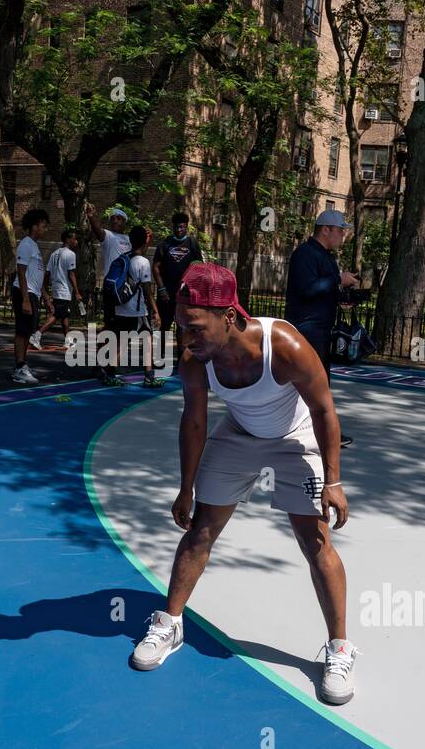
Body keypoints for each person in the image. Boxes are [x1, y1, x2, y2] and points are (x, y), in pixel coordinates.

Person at [130, 263, 357, 705]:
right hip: (238, 436)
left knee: (314, 541)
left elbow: (325, 410)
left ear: (228, 316)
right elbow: (194, 421)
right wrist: (186, 487)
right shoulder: (196, 359)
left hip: (294, 439)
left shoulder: (285, 346)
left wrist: (333, 481)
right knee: (200, 532)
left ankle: (340, 649)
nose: (187, 338)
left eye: (194, 328)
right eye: (181, 327)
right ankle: (170, 623)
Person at [285, 209, 357, 448]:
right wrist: (338, 279)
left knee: (319, 382)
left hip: (320, 329)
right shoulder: (305, 254)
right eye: (340, 231)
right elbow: (307, 288)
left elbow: (322, 289)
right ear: (325, 229)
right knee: (311, 382)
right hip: (306, 329)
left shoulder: (325, 255)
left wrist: (342, 295)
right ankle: (322, 433)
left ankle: (321, 431)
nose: (342, 236)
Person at [109, 226, 163, 388]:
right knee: (148, 341)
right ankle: (149, 377)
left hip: (121, 307)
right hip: (136, 310)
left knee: (120, 342)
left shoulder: (124, 257)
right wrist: (155, 310)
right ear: (145, 242)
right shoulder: (143, 262)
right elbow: (147, 289)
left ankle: (110, 374)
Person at [151, 212, 203, 362]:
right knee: (164, 326)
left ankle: (182, 358)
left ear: (186, 227)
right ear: (172, 227)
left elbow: (199, 266)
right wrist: (161, 289)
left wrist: (191, 287)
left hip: (184, 294)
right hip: (166, 293)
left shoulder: (193, 244)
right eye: (176, 227)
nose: (179, 230)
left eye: (182, 227)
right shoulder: (165, 244)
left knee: (183, 327)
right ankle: (159, 357)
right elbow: (156, 267)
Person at [11, 208, 53, 384]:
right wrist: (26, 299)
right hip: (24, 293)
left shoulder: (33, 245)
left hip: (32, 293)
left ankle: (23, 364)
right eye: (43, 226)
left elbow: (36, 275)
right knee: (22, 331)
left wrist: (45, 297)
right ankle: (20, 368)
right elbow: (21, 272)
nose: (45, 229)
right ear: (35, 226)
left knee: (28, 331)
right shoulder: (26, 244)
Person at [85, 201, 131, 331]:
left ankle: (110, 344)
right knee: (111, 318)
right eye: (113, 219)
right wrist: (91, 216)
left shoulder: (129, 239)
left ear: (124, 222)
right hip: (111, 284)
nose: (115, 221)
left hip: (125, 285)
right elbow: (97, 230)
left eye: (119, 218)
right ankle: (105, 345)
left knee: (122, 320)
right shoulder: (108, 236)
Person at [33, 228, 81, 349]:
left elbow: (47, 273)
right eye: (75, 239)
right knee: (57, 314)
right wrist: (77, 292)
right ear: (68, 239)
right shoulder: (70, 254)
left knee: (64, 315)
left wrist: (46, 288)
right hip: (64, 290)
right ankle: (37, 334)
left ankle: (68, 341)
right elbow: (71, 274)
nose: (76, 241)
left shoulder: (54, 254)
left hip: (56, 288)